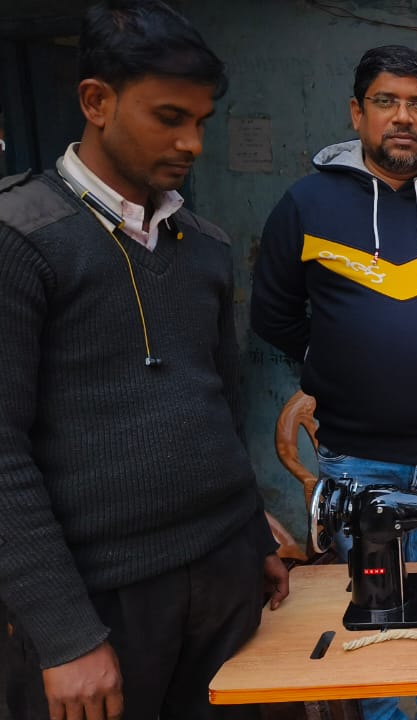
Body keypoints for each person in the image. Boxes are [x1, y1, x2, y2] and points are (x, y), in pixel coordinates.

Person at [0, 2, 288, 718]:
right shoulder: (23, 241)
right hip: (100, 599)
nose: (191, 143)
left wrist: (253, 535)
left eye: (201, 121)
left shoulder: (205, 244)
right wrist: (64, 635)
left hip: (223, 575)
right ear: (96, 101)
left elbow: (220, 405)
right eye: (169, 118)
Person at [251, 45, 417, 720]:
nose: (404, 117)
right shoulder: (306, 204)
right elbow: (273, 314)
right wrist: (335, 358)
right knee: (371, 605)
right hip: (357, 456)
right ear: (357, 112)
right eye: (387, 102)